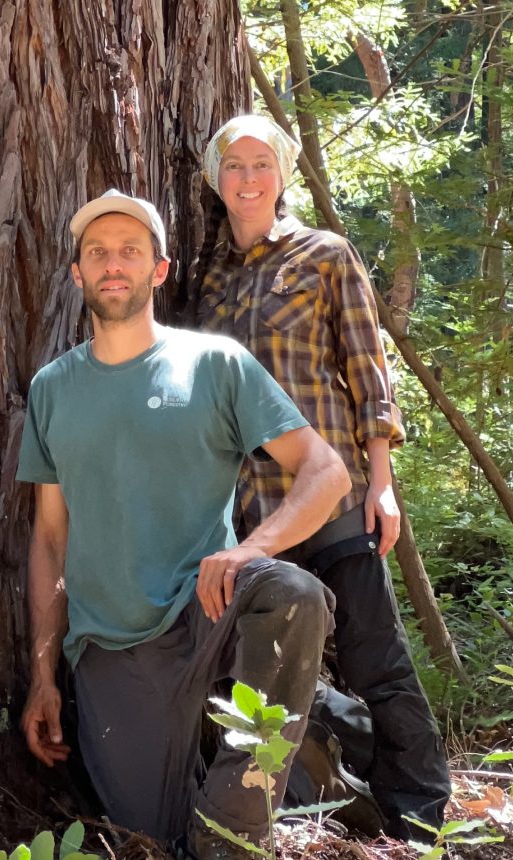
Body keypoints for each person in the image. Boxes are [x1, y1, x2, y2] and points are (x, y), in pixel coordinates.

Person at [17, 189, 351, 859]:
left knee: (294, 595)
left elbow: (328, 473)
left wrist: (248, 550)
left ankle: (236, 823)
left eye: (130, 252)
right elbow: (51, 540)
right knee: (155, 836)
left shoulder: (215, 365)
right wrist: (42, 675)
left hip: (209, 610)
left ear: (159, 270)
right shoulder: (52, 387)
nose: (114, 265)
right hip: (111, 648)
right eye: (98, 254)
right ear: (78, 274)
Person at [195, 114, 451, 838]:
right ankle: (282, 807)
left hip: (330, 499)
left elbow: (368, 371)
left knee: (377, 663)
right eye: (234, 166)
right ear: (217, 180)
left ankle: (423, 819)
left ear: (283, 174)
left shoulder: (325, 254)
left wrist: (382, 479)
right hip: (251, 520)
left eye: (261, 165)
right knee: (260, 672)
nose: (248, 179)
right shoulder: (203, 277)